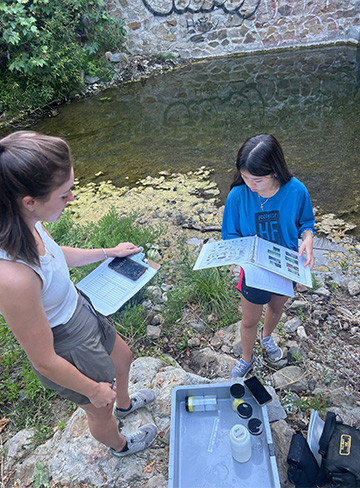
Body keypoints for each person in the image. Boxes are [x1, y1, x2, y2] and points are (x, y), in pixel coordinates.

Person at [0, 131, 158, 457]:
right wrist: (92, 390)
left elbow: (57, 257)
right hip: (66, 341)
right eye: (64, 194)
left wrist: (108, 251)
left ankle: (126, 404)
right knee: (100, 406)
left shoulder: (24, 220)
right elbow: (44, 360)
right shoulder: (13, 278)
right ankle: (120, 445)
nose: (71, 198)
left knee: (124, 357)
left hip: (80, 306)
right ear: (29, 201)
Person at [222, 134, 315, 378]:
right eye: (244, 177)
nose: (251, 185)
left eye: (257, 180)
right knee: (249, 319)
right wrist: (240, 256)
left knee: (275, 309)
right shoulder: (238, 196)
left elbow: (306, 223)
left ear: (275, 171)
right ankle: (246, 358)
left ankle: (267, 337)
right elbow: (230, 235)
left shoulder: (295, 191)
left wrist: (307, 239)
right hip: (253, 271)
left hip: (285, 267)